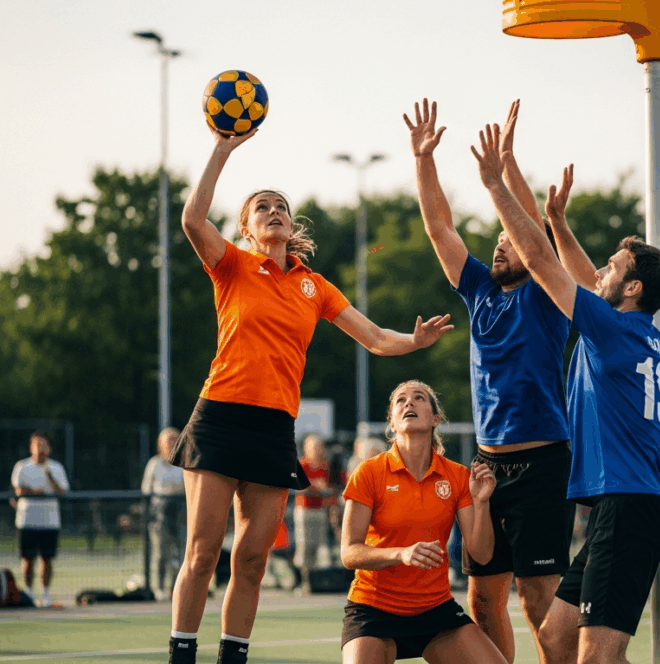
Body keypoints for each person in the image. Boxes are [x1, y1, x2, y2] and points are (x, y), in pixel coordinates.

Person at [165, 124, 453, 664]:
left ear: (291, 224)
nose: (274, 211)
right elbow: (190, 219)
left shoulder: (313, 285)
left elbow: (373, 338)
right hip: (219, 417)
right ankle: (183, 654)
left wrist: (414, 341)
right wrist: (222, 149)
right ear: (247, 229)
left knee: (251, 559)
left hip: (274, 428)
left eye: (281, 206)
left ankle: (233, 657)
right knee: (203, 553)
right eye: (262, 207)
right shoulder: (231, 265)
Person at [469, 122, 660, 664]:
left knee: (593, 658)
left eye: (614, 267)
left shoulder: (611, 328)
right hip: (623, 506)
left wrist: (496, 185)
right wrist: (558, 221)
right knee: (558, 638)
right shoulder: (636, 330)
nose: (600, 271)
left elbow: (541, 264)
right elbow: (579, 272)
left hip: (631, 508)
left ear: (631, 288)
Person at [406, 98, 575, 663]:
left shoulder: (546, 293)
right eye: (497, 242)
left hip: (544, 463)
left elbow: (525, 227)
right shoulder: (479, 290)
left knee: (537, 599)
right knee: (482, 600)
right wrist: (423, 160)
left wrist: (505, 168)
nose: (501, 245)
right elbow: (438, 226)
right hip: (487, 467)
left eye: (509, 242)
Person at [340, 380, 506, 664]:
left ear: (434, 419)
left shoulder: (456, 475)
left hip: (435, 610)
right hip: (373, 610)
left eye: (419, 398)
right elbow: (349, 553)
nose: (409, 403)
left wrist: (482, 502)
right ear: (392, 422)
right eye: (401, 400)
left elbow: (481, 554)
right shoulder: (369, 472)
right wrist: (400, 554)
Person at [10, 430, 69, 607]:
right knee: (28, 558)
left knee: (47, 558)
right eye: (36, 444)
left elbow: (63, 491)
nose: (40, 448)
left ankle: (45, 593)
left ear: (49, 448)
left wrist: (50, 478)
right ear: (31, 447)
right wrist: (37, 492)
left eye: (43, 444)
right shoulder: (22, 466)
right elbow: (19, 490)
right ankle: (29, 592)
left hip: (49, 521)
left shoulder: (56, 468)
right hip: (27, 520)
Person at [142, 427, 186, 601]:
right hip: (160, 512)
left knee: (180, 552)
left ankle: (176, 588)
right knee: (161, 551)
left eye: (175, 440)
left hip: (180, 511)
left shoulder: (183, 462)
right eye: (168, 441)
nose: (172, 443)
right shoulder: (154, 464)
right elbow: (146, 489)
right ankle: (159, 588)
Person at [294, 434, 332, 593]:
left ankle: (319, 581)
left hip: (320, 510)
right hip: (304, 511)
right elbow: (301, 486)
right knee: (304, 547)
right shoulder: (302, 464)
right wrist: (316, 487)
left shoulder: (324, 466)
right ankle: (303, 581)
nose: (316, 450)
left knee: (321, 546)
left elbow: (327, 488)